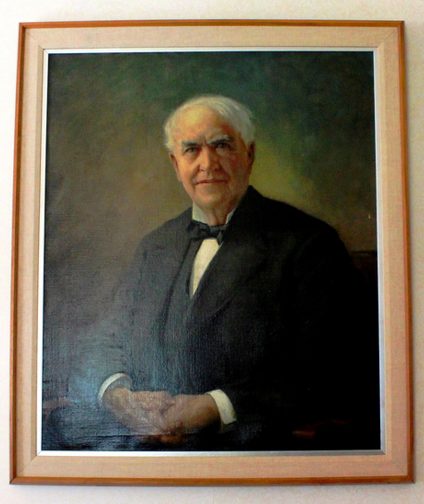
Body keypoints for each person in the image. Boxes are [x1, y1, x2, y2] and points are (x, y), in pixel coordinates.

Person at [46, 95, 380, 451]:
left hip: (252, 448)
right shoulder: (153, 247)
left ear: (249, 154)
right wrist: (118, 395)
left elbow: (332, 368)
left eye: (222, 145)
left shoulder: (308, 243)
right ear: (175, 164)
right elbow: (104, 341)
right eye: (191, 149)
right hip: (147, 446)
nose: (207, 164)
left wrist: (215, 407)